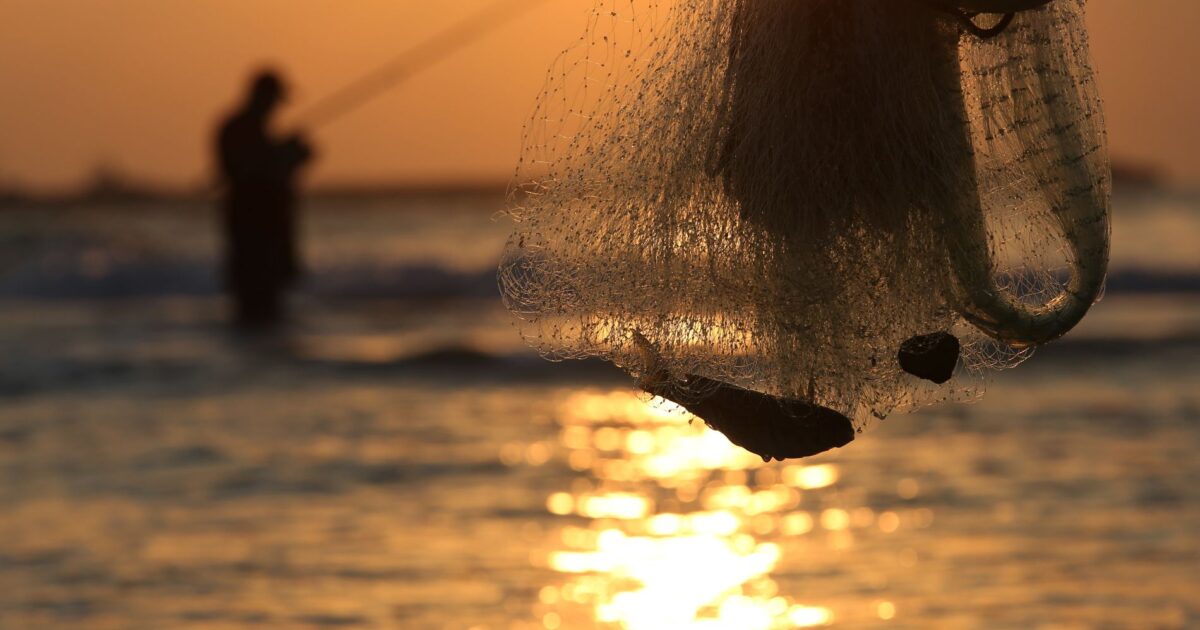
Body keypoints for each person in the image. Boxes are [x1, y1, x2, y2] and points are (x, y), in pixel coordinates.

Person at [215, 70, 313, 328]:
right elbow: (246, 171)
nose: (275, 108)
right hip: (255, 231)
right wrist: (284, 154)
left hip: (270, 230)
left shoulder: (250, 133)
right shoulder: (236, 130)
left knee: (268, 309)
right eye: (274, 100)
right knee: (256, 305)